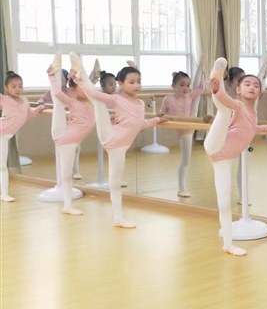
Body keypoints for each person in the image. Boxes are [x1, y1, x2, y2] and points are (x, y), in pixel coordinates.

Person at [70, 53, 164, 228]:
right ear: (121, 83)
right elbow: (92, 93)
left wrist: (156, 120)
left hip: (121, 146)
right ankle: (80, 71)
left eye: (138, 81)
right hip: (111, 138)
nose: (137, 85)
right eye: (132, 82)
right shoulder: (116, 98)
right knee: (97, 102)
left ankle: (117, 218)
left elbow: (139, 125)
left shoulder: (140, 104)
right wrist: (79, 81)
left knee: (115, 182)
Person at [204, 58, 267, 256]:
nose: (252, 87)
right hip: (216, 145)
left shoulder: (252, 113)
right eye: (247, 84)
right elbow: (226, 101)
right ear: (238, 90)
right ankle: (216, 79)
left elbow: (249, 128)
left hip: (224, 158)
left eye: (256, 85)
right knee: (225, 109)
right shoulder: (238, 105)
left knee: (224, 203)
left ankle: (228, 244)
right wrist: (217, 89)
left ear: (260, 92)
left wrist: (264, 128)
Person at [46, 54, 95, 215]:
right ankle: (54, 72)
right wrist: (51, 78)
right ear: (73, 90)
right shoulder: (73, 102)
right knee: (66, 175)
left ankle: (67, 206)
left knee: (67, 174)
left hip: (69, 137)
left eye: (85, 85)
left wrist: (77, 71)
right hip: (65, 137)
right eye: (81, 86)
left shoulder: (93, 101)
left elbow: (89, 85)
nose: (85, 88)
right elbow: (57, 93)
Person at [160, 70, 207, 198]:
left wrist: (202, 72)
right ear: (173, 86)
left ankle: (182, 188)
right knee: (185, 161)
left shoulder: (189, 97)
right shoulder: (167, 99)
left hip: (188, 127)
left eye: (187, 85)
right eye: (181, 85)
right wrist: (164, 118)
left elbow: (201, 89)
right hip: (181, 129)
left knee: (186, 160)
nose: (185, 88)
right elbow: (162, 113)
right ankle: (181, 189)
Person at [0, 72, 44, 202]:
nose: (17, 89)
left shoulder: (25, 100)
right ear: (7, 88)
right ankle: (4, 194)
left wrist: (38, 109)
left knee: (2, 165)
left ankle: (4, 194)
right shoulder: (4, 100)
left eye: (20, 86)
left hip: (5, 136)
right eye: (13, 87)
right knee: (2, 166)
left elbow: (28, 116)